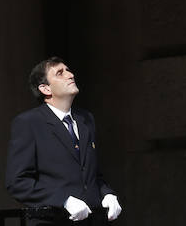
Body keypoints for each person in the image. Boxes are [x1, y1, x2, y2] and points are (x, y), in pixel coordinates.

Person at [6, 57, 121, 224]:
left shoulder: (85, 119)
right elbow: (17, 182)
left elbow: (92, 174)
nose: (70, 75)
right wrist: (64, 200)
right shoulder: (29, 123)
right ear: (45, 88)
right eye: (60, 73)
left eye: (68, 70)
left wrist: (107, 193)